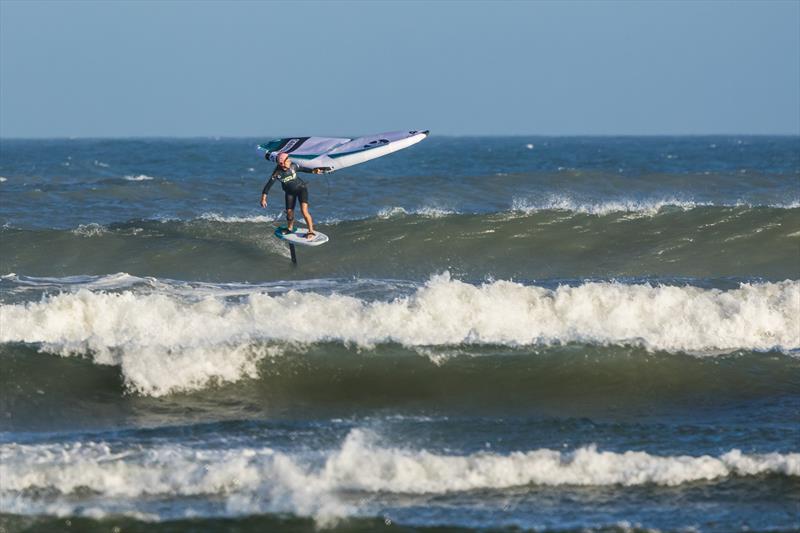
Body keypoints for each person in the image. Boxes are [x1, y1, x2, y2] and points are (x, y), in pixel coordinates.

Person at [260, 152, 323, 239]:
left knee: (304, 211)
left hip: (301, 189)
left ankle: (311, 231)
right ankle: (290, 228)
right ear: (282, 163)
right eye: (288, 160)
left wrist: (314, 171)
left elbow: (305, 169)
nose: (290, 161)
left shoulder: (293, 166)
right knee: (289, 212)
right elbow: (268, 185)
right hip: (289, 193)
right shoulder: (277, 173)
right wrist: (263, 199)